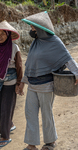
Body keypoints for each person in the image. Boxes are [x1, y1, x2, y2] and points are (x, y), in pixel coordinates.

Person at [20, 11, 78, 150]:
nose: (31, 30)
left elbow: (67, 58)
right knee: (30, 113)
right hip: (32, 85)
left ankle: (50, 142)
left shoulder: (54, 42)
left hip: (46, 85)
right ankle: (31, 144)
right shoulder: (35, 43)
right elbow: (29, 65)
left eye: (33, 27)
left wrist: (77, 73)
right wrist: (22, 83)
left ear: (40, 28)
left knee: (47, 114)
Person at [0, 20, 23, 147]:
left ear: (8, 35)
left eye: (3, 33)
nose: (0, 36)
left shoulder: (14, 48)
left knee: (6, 109)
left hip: (9, 84)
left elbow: (19, 67)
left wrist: (19, 84)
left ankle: (5, 137)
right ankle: (9, 125)